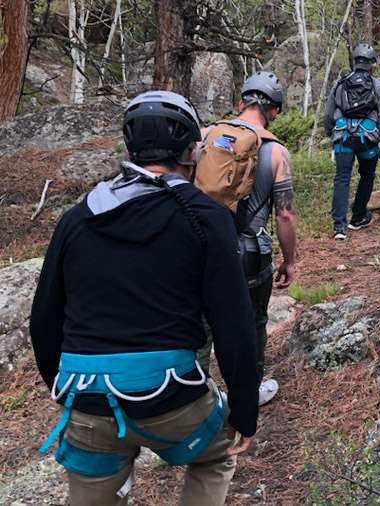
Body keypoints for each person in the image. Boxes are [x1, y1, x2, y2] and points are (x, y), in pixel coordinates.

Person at [30, 90, 259, 506]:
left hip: (87, 397)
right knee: (215, 458)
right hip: (173, 398)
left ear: (129, 147)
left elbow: (43, 319)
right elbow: (234, 325)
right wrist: (244, 411)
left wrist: (67, 397)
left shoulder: (77, 218)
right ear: (193, 150)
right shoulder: (206, 217)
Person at [196, 71, 297, 407]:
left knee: (201, 326)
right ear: (275, 111)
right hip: (250, 253)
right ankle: (248, 393)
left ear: (241, 102)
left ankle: (194, 398)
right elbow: (284, 214)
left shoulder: (206, 136)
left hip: (202, 249)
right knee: (252, 323)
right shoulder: (276, 153)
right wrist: (290, 260)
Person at [325, 43, 380, 240]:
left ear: (355, 61)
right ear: (372, 64)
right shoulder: (378, 86)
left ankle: (339, 226)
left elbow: (328, 114)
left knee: (342, 178)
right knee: (367, 175)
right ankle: (358, 217)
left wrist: (330, 132)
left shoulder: (340, 84)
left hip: (343, 137)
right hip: (368, 139)